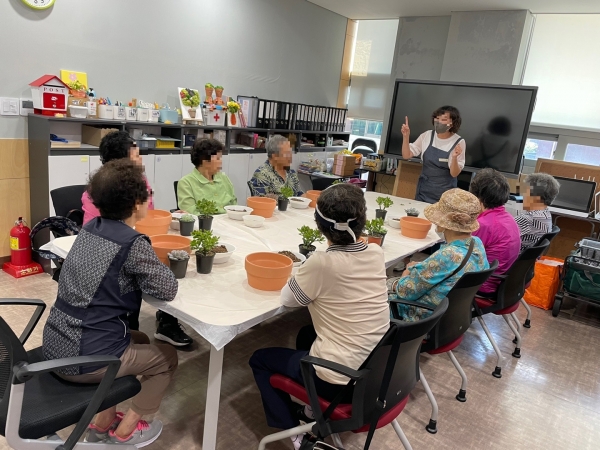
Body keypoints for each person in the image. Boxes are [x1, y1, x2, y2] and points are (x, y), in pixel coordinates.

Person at [43, 160, 178, 447]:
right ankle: (126, 431)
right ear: (136, 204)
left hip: (56, 342)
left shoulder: (90, 228)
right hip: (86, 357)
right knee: (166, 358)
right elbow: (167, 289)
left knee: (140, 338)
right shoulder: (133, 243)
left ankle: (103, 422)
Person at [249, 184, 388, 449]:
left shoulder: (322, 262)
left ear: (319, 224)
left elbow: (288, 300)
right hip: (377, 372)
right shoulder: (375, 252)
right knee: (306, 333)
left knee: (260, 360)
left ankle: (294, 434)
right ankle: (312, 409)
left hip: (341, 380)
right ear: (363, 220)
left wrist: (306, 268)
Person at [82, 131, 193, 347]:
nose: (141, 159)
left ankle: (163, 323)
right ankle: (129, 334)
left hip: (136, 240)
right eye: (136, 154)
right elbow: (109, 233)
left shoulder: (137, 182)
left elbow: (147, 217)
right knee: (160, 275)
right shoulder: (104, 193)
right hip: (117, 250)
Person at [388, 189, 489, 321]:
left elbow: (405, 292)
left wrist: (406, 273)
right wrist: (425, 267)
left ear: (443, 224)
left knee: (379, 288)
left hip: (422, 317)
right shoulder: (476, 243)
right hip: (452, 316)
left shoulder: (446, 256)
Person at [469, 168, 521, 294]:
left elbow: (461, 258)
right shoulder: (509, 218)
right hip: (502, 282)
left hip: (483, 284)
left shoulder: (483, 225)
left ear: (476, 196)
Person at [401, 106, 466, 204]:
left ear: (452, 123)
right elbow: (406, 155)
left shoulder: (458, 142)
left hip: (445, 196)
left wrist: (454, 158)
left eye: (443, 119)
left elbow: (454, 173)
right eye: (437, 118)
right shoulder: (427, 135)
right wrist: (406, 137)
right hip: (423, 191)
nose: (439, 122)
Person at [177, 138, 237, 214]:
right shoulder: (186, 183)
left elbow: (234, 206)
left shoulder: (224, 178)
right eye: (218, 158)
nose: (221, 162)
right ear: (205, 161)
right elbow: (191, 214)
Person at [516, 173, 560, 252]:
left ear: (535, 197)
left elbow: (496, 233)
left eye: (526, 192)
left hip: (510, 257)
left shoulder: (529, 219)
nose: (523, 196)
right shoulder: (546, 214)